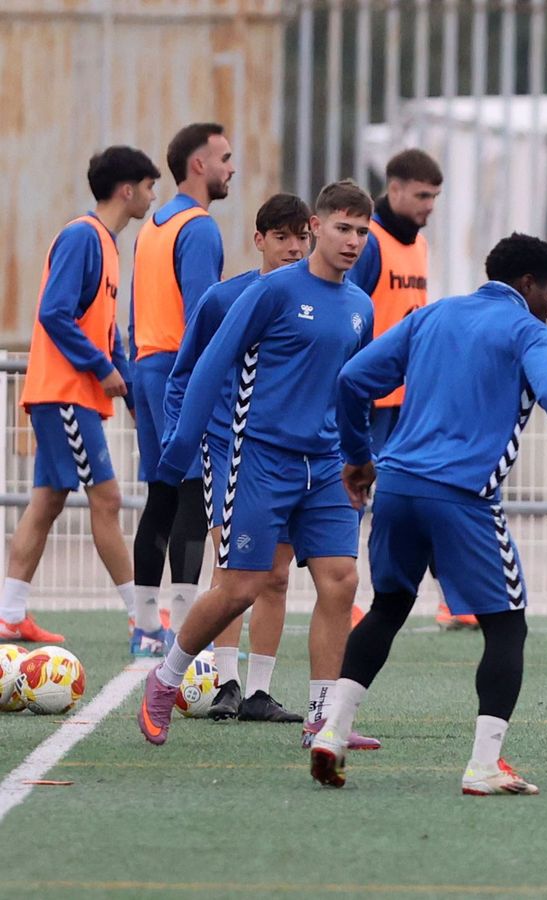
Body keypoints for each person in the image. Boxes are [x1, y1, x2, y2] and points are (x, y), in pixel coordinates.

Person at [313, 233, 547, 795]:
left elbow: (353, 380)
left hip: (397, 485)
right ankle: (483, 765)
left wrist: (358, 457)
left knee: (389, 606)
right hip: (461, 495)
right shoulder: (526, 330)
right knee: (507, 623)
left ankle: (332, 729)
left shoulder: (434, 316)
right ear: (527, 285)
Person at [138, 180, 377, 749]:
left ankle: (324, 720)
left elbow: (352, 390)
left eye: (362, 232)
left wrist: (358, 457)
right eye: (342, 228)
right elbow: (208, 367)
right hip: (258, 459)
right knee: (242, 586)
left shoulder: (361, 307)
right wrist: (179, 451)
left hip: (324, 464)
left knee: (341, 581)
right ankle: (165, 679)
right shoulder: (268, 293)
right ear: (317, 227)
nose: (352, 241)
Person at [162, 193, 314, 722]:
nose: (293, 247)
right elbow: (184, 374)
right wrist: (181, 440)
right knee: (232, 568)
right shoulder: (225, 299)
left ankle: (258, 692)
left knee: (277, 574)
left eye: (301, 236)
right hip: (229, 449)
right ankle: (223, 682)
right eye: (281, 237)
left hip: (293, 456)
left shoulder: (330, 298)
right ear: (259, 240)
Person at [0, 147, 158, 645]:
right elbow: (54, 313)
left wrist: (130, 391)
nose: (154, 196)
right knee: (107, 498)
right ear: (128, 190)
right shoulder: (82, 237)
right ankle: (143, 620)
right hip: (65, 393)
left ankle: (10, 612)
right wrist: (101, 367)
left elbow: (107, 331)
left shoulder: (108, 246)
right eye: (150, 187)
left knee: (45, 502)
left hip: (73, 394)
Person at [346, 149, 468, 631]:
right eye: (422, 195)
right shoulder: (369, 243)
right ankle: (348, 599)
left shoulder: (418, 244)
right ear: (393, 189)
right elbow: (351, 313)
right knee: (353, 496)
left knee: (429, 491)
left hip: (410, 397)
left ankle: (454, 600)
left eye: (435, 197)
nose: (429, 205)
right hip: (370, 399)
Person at [127, 122, 235, 656]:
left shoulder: (153, 225)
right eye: (225, 157)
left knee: (160, 493)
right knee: (193, 492)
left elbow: (134, 308)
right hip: (180, 369)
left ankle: (145, 625)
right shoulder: (199, 228)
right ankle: (186, 629)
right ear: (200, 165)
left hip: (147, 364)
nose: (231, 167)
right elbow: (203, 313)